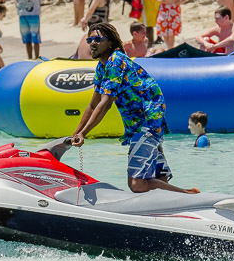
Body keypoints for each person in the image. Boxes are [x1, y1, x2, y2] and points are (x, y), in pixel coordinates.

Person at [70, 23, 197, 194]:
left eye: (98, 39)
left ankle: (188, 194)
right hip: (141, 123)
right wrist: (77, 132)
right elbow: (92, 105)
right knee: (159, 178)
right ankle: (171, 204)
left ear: (109, 43)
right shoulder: (102, 66)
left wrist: (84, 133)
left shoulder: (116, 62)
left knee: (137, 184)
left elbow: (105, 103)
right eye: (90, 39)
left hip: (146, 121)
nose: (92, 43)